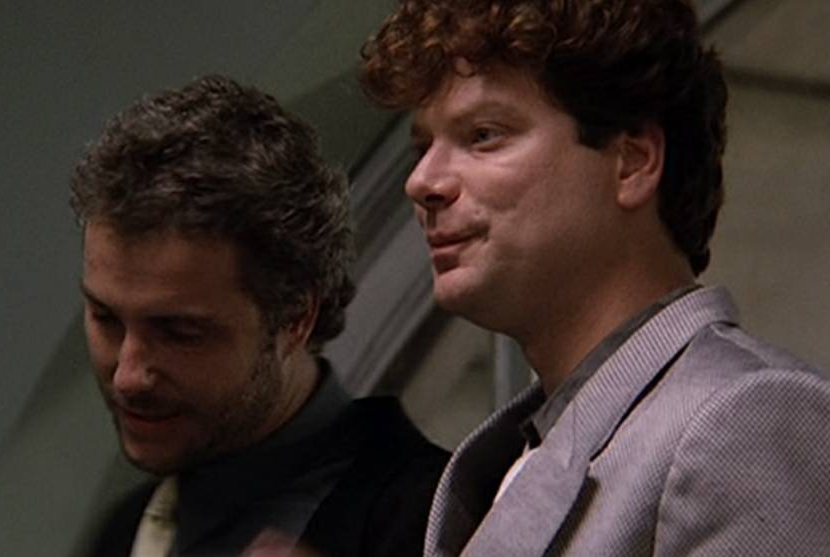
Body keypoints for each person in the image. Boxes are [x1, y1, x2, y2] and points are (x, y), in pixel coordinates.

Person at [359, 0, 830, 555]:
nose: (421, 181)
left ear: (632, 161)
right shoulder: (518, 453)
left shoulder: (743, 415)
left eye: (483, 135)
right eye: (422, 147)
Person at [69, 75, 448, 557]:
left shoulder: (439, 519)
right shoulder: (124, 531)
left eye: (179, 332)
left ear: (295, 318)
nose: (128, 376)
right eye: (105, 318)